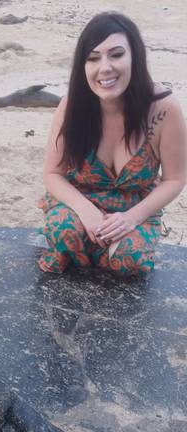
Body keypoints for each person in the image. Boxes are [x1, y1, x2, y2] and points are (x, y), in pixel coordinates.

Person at [38, 11, 186, 276]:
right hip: (79, 203)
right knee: (65, 231)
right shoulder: (72, 105)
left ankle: (95, 252)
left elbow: (175, 179)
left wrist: (132, 218)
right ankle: (87, 250)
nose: (105, 67)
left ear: (135, 57)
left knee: (130, 259)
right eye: (93, 58)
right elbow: (52, 174)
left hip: (134, 208)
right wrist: (87, 212)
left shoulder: (164, 108)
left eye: (116, 54)